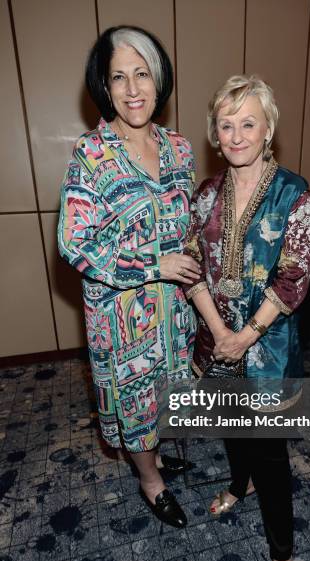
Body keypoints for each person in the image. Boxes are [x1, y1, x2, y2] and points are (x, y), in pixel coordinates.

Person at [58, 26, 200, 529]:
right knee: (137, 405)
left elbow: (187, 226)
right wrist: (152, 264)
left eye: (142, 73)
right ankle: (150, 481)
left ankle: (156, 459)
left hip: (172, 313)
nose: (133, 88)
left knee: (165, 395)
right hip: (122, 320)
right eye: (119, 77)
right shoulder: (91, 154)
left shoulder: (180, 148)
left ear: (159, 80)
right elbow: (75, 243)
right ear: (105, 85)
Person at [183, 75, 310, 561]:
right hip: (215, 341)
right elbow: (191, 266)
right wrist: (219, 334)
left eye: (248, 123)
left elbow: (293, 278)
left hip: (267, 349)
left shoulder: (294, 193)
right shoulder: (206, 194)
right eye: (226, 124)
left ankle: (282, 556)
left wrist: (244, 336)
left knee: (271, 454)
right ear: (215, 133)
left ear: (268, 130)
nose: (236, 135)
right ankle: (241, 485)